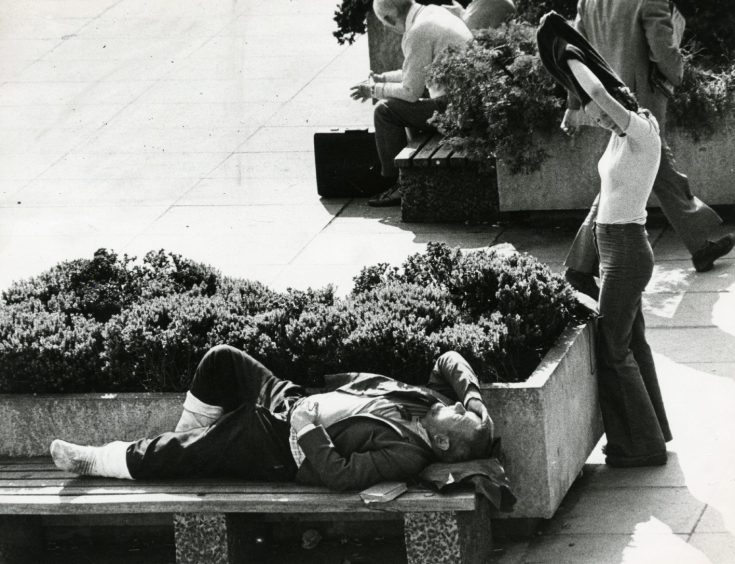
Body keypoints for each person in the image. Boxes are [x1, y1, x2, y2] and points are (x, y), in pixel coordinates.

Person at [50, 344, 494, 490]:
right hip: (293, 400)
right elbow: (449, 359)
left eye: (460, 416)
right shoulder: (427, 401)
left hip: (284, 446)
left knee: (182, 452)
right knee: (222, 360)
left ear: (442, 444)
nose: (454, 406)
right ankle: (188, 444)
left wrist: (307, 429)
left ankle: (96, 461)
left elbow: (340, 474)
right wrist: (475, 404)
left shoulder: (407, 454)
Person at [537, 12, 672, 467]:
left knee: (612, 349)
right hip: (614, 248)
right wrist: (574, 108)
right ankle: (653, 432)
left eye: (603, 113)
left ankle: (643, 446)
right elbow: (593, 105)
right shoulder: (618, 138)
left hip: (629, 254)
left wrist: (569, 56)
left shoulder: (641, 133)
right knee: (629, 342)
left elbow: (597, 92)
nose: (597, 117)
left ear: (618, 106)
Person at [561, 0, 733, 294]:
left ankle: (701, 242)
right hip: (643, 97)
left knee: (648, 166)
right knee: (650, 164)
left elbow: (574, 53)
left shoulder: (589, 2)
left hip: (610, 100)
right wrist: (678, 72)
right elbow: (664, 52)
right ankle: (580, 264)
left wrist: (574, 104)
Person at [350, 0, 473, 207]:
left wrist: (372, 90)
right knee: (401, 105)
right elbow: (416, 73)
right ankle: (403, 180)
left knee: (385, 111)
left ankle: (398, 183)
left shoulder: (418, 32)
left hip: (456, 110)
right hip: (466, 103)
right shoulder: (433, 14)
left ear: (389, 18)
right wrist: (383, 79)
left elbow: (410, 92)